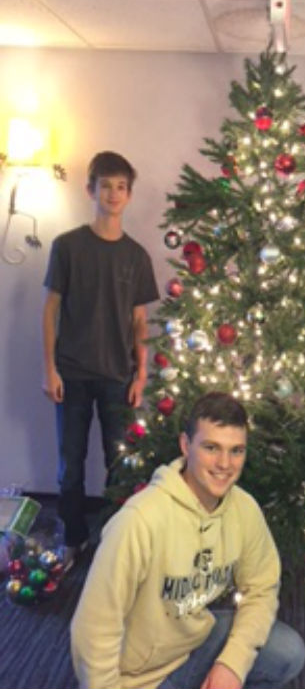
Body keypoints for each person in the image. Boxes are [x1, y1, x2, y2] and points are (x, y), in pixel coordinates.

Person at [70, 392, 305, 689]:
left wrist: (231, 665)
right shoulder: (138, 520)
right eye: (211, 448)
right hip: (137, 678)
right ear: (185, 445)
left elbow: (262, 587)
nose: (225, 464)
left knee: (288, 651)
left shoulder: (244, 509)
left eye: (236, 451)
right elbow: (93, 629)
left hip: (190, 648)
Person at [42, 151, 159, 571]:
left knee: (120, 465)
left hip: (117, 376)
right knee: (70, 466)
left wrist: (141, 373)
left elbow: (139, 319)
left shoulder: (136, 256)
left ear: (129, 196)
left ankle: (113, 542)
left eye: (121, 187)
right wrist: (50, 368)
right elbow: (51, 308)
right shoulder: (67, 246)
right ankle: (72, 539)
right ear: (90, 190)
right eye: (105, 185)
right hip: (71, 374)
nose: (113, 193)